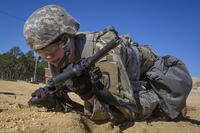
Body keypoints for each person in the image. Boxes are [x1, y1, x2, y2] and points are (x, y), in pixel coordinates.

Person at [23, 5, 192, 124]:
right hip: (120, 73)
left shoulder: (102, 54)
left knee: (152, 109)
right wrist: (50, 96)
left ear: (66, 40)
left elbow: (125, 111)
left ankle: (164, 102)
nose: (49, 58)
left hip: (149, 74)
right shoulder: (57, 56)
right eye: (41, 53)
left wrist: (87, 94)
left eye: (50, 49)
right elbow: (58, 87)